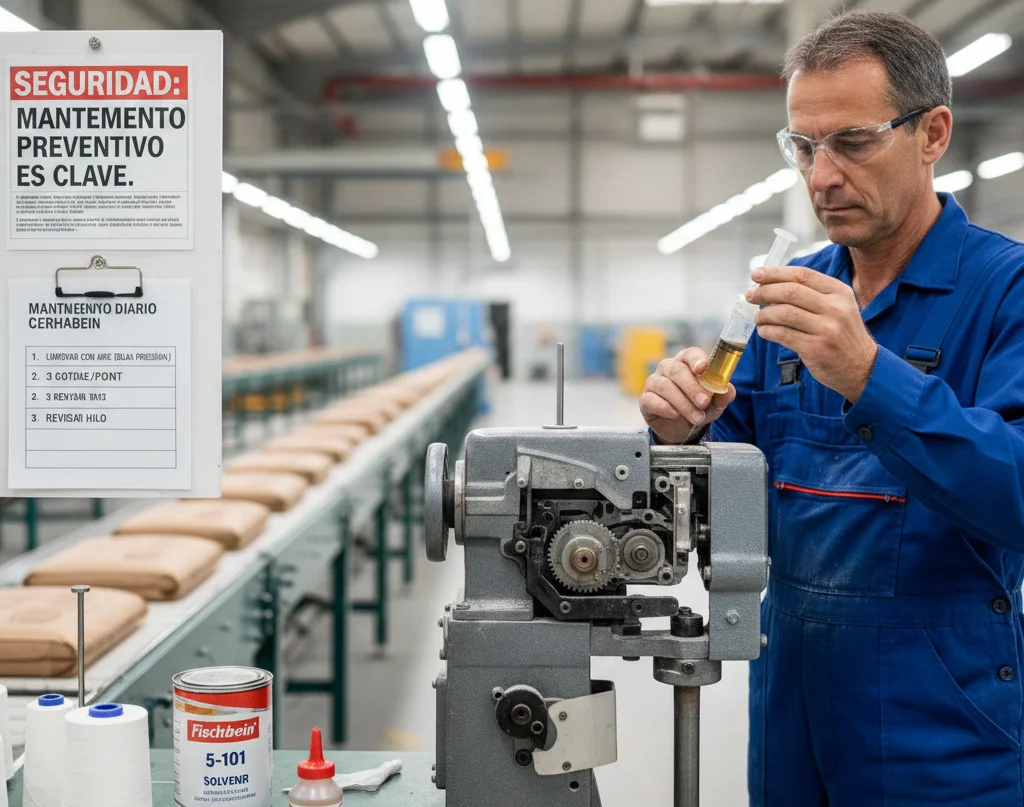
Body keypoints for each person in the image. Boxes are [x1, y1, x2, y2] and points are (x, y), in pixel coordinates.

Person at [640, 11, 1024, 807]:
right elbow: (731, 470)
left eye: (852, 142)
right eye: (804, 147)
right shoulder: (790, 293)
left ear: (932, 133)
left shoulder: (1005, 290)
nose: (820, 177)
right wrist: (684, 427)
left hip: (942, 727)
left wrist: (869, 375)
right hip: (791, 707)